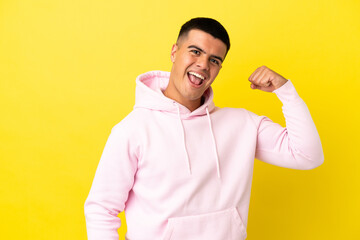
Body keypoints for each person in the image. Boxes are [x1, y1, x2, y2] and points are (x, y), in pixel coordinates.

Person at [84, 17, 324, 240]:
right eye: (195, 51)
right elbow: (102, 209)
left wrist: (286, 92)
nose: (203, 64)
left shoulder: (242, 124)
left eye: (214, 60)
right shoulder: (133, 129)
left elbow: (307, 156)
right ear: (174, 52)